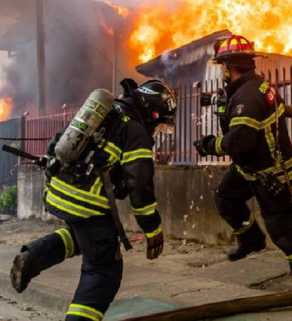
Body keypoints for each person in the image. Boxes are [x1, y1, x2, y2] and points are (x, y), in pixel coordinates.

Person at [10, 79, 176, 321]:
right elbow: (139, 185)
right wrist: (152, 229)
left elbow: (59, 140)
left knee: (87, 238)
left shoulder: (106, 112)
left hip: (58, 191)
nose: (156, 130)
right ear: (153, 112)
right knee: (104, 270)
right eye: (160, 124)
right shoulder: (136, 131)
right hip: (87, 203)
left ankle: (33, 257)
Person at [194, 34, 292, 289]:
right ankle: (251, 238)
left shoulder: (247, 96)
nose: (222, 73)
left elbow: (240, 141)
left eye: (222, 67)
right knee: (225, 196)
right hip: (250, 167)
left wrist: (210, 145)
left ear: (230, 66)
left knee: (283, 230)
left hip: (270, 173)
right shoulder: (256, 87)